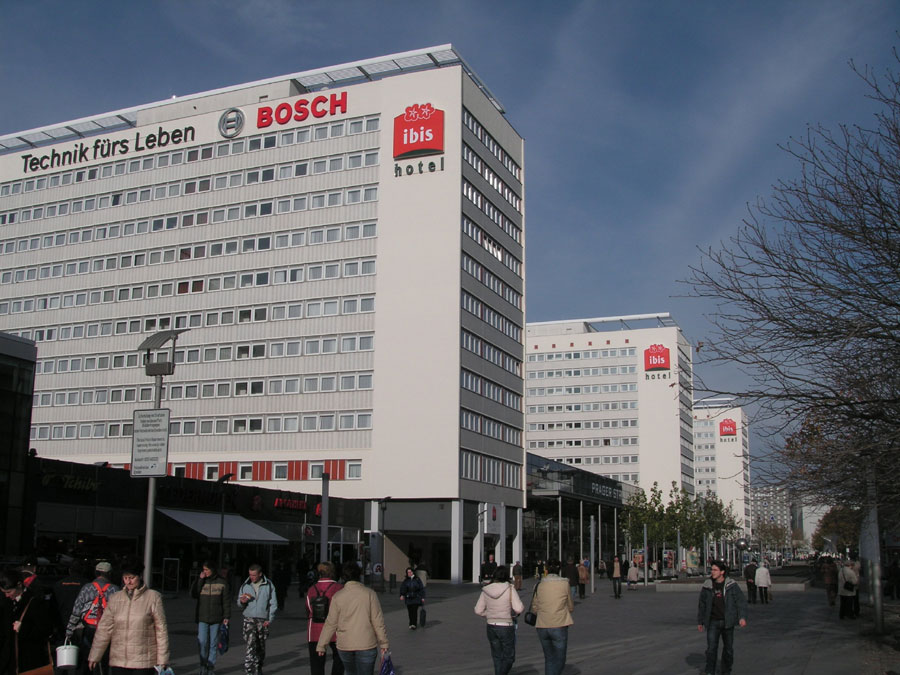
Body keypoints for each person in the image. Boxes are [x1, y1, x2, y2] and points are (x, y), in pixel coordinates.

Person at [88, 560, 169, 675]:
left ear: (140, 576)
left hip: (143, 661)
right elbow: (104, 629)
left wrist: (162, 658)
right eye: (125, 578)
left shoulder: (153, 597)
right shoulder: (115, 598)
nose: (128, 581)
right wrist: (95, 655)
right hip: (119, 660)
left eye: (131, 577)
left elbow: (161, 630)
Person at [316, 561, 389, 675]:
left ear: (343, 577)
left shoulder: (338, 596)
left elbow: (331, 623)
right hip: (366, 643)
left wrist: (322, 645)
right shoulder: (369, 594)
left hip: (345, 644)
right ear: (359, 575)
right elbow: (378, 621)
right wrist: (383, 643)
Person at [66, 560, 120, 675]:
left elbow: (76, 612)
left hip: (88, 629)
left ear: (96, 573)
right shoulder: (115, 590)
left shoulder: (87, 588)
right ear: (110, 574)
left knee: (87, 660)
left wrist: (69, 632)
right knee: (104, 662)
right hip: (107, 631)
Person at [697, 560, 748, 675]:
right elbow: (702, 604)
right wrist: (700, 621)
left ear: (722, 572)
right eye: (712, 570)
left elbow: (740, 601)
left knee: (728, 649)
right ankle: (710, 671)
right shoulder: (707, 585)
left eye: (715, 570)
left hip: (727, 621)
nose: (712, 572)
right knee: (711, 649)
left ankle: (726, 671)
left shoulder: (731, 585)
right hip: (712, 622)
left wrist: (742, 617)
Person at [1, 569, 53, 675]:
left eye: (9, 592)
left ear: (19, 585)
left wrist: (24, 628)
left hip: (29, 662)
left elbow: (46, 630)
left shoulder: (35, 602)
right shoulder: (5, 603)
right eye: (4, 592)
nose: (7, 595)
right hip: (8, 662)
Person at [474, 566, 524, 675]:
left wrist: (490, 614)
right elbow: (519, 608)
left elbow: (478, 610)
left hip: (491, 625)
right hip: (506, 625)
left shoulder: (486, 590)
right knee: (509, 657)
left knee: (497, 656)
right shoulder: (510, 588)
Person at [531, 559, 574, 675]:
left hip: (542, 625)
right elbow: (570, 606)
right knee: (560, 658)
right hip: (559, 623)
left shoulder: (539, 584)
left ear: (546, 570)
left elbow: (534, 607)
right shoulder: (564, 583)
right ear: (559, 569)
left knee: (549, 658)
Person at [191, 560, 231, 675]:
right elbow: (194, 594)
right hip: (202, 617)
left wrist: (226, 616)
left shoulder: (222, 582)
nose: (205, 572)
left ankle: (210, 666)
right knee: (202, 641)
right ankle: (202, 664)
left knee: (213, 643)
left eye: (207, 570)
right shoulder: (201, 581)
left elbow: (226, 601)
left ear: (212, 569)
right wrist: (200, 580)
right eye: (203, 569)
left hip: (216, 617)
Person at [237, 563, 278, 675]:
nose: (252, 577)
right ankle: (249, 670)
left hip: (262, 619)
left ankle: (258, 666)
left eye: (254, 575)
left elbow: (273, 603)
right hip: (249, 618)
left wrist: (269, 619)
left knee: (260, 645)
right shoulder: (245, 585)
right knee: (250, 644)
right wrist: (242, 601)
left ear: (260, 574)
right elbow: (239, 602)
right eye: (250, 575)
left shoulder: (268, 585)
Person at [306, 562, 343, 675]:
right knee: (339, 659)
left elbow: (308, 608)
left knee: (316, 663)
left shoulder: (312, 589)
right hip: (335, 629)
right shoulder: (339, 588)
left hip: (315, 629)